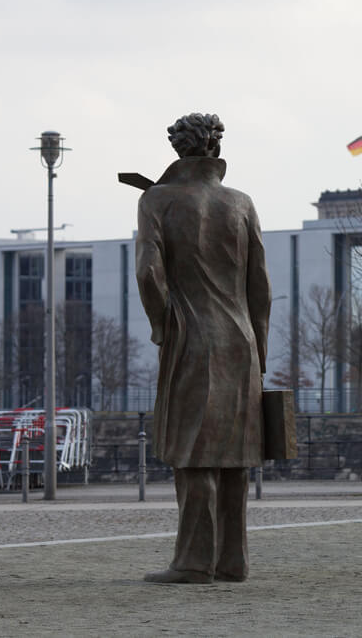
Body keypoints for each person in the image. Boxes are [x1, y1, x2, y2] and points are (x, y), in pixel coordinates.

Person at [136, 113, 271, 584]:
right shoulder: (241, 203)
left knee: (193, 451)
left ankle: (194, 561)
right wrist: (261, 351)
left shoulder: (157, 199)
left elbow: (147, 272)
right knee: (233, 455)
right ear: (215, 148)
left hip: (191, 337)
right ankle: (232, 560)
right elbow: (261, 288)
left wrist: (162, 326)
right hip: (242, 342)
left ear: (178, 149)